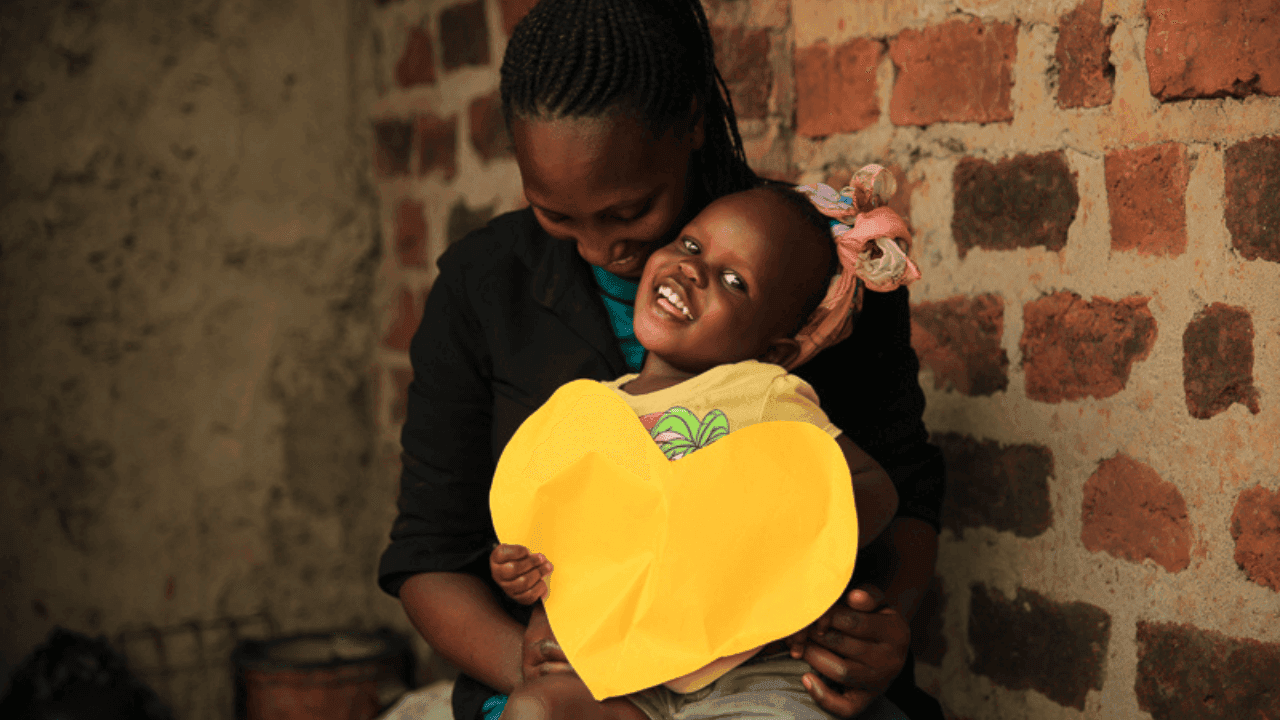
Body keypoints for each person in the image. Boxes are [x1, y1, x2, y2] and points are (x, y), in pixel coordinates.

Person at [376, 1, 947, 718]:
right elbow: (429, 553)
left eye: (629, 212)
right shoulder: (481, 287)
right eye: (555, 215)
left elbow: (901, 487)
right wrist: (538, 665)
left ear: (691, 123)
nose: (595, 249)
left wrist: (880, 628)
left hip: (771, 676)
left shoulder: (814, 269)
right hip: (573, 682)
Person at [488, 179, 915, 720]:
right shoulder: (580, 413)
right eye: (690, 246)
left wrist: (798, 560)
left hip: (755, 669)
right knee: (534, 709)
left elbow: (872, 490)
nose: (693, 269)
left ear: (774, 349)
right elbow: (557, 535)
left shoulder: (761, 394)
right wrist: (522, 571)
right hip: (625, 670)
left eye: (734, 281)